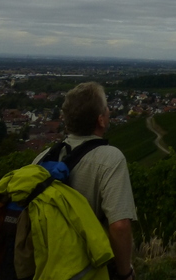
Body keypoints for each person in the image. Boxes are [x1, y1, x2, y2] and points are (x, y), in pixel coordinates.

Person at [35, 81, 137, 280]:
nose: (109, 111)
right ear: (101, 120)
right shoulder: (111, 159)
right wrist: (125, 273)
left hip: (44, 268)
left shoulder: (43, 158)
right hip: (87, 269)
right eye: (106, 107)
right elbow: (120, 226)